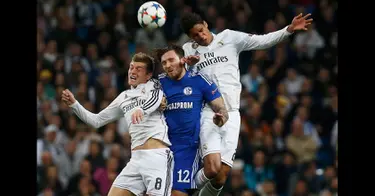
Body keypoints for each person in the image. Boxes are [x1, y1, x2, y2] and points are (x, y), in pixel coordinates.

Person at [180, 12, 313, 196]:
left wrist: (288, 30)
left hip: (232, 113)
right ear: (189, 37)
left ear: (205, 24)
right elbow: (181, 80)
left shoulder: (229, 37)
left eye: (201, 31)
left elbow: (261, 41)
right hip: (208, 112)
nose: (200, 36)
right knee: (211, 167)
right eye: (195, 35)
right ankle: (179, 189)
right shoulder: (188, 50)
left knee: (221, 176)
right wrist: (189, 66)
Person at [61, 52, 174, 196]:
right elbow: (96, 121)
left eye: (138, 69)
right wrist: (74, 104)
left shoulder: (154, 85)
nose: (133, 71)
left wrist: (142, 109)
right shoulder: (123, 97)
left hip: (156, 157)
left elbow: (156, 99)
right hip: (136, 159)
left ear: (148, 75)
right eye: (131, 67)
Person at [154, 44, 229, 196]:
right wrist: (154, 103)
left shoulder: (199, 81)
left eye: (171, 60)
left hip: (186, 148)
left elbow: (222, 110)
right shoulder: (158, 84)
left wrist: (220, 119)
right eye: (164, 63)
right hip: (161, 148)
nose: (167, 65)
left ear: (182, 60)